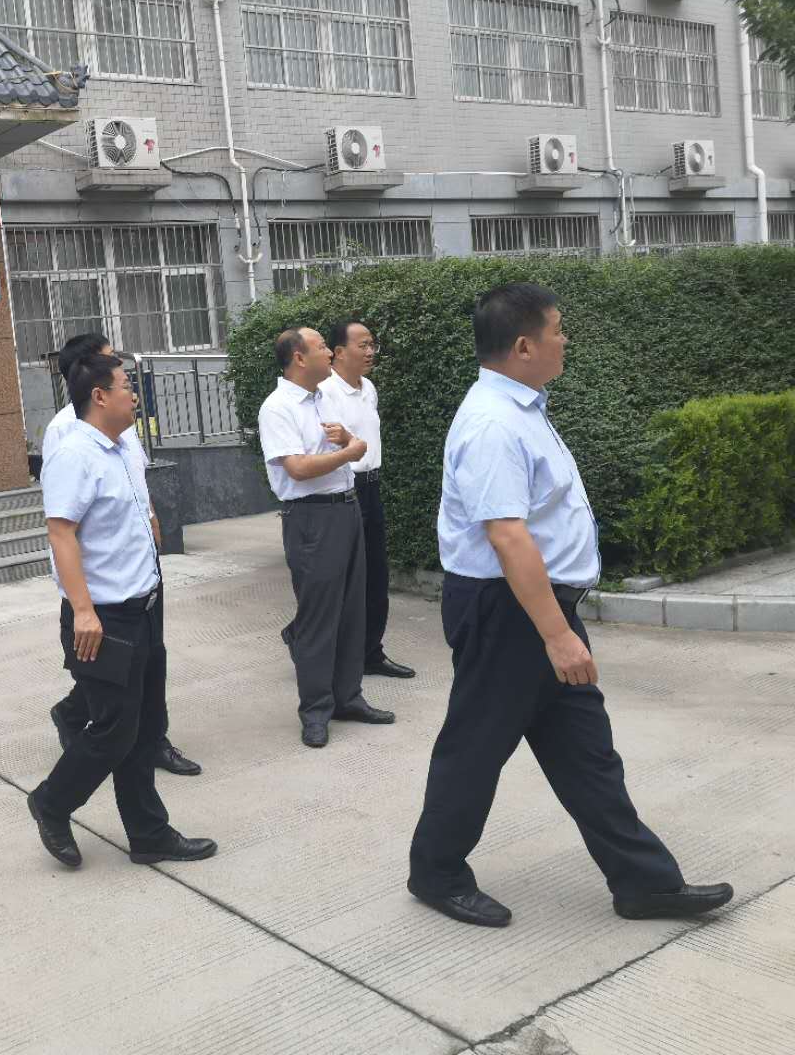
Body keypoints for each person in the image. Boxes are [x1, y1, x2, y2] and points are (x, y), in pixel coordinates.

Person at [407, 283, 732, 928]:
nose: (564, 340)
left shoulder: (523, 409)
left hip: (538, 609)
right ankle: (436, 873)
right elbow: (508, 537)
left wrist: (559, 625)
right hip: (510, 613)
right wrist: (557, 635)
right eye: (556, 330)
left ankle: (645, 884)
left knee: (586, 752)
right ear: (524, 345)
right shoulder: (493, 423)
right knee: (476, 747)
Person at [27, 350, 216, 870]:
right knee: (113, 731)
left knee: (143, 728)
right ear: (100, 396)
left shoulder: (122, 447)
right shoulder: (74, 454)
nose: (135, 394)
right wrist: (83, 611)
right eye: (126, 385)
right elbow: (61, 534)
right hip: (104, 619)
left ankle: (149, 835)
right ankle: (51, 802)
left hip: (145, 607)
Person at [42, 332, 201, 777]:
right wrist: (81, 605)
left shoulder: (121, 424)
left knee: (150, 659)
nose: (128, 382)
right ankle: (84, 729)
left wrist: (151, 520)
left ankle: (151, 739)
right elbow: (63, 520)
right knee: (116, 675)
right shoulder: (67, 433)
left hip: (141, 565)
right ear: (92, 378)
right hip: (105, 581)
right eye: (115, 365)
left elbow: (132, 481)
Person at [257, 327, 395, 749]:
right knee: (319, 617)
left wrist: (349, 443)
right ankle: (316, 710)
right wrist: (349, 452)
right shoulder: (278, 407)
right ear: (299, 358)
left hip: (346, 508)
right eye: (320, 348)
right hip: (311, 518)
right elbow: (297, 468)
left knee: (352, 609)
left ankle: (348, 697)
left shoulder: (321, 399)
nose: (328, 355)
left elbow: (348, 443)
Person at [318, 320, 416, 681]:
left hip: (371, 486)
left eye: (372, 344)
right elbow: (328, 443)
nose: (370, 351)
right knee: (343, 577)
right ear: (339, 352)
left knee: (376, 573)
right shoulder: (325, 391)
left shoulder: (368, 388)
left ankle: (371, 653)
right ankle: (312, 641)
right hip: (344, 489)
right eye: (363, 345)